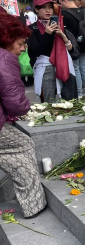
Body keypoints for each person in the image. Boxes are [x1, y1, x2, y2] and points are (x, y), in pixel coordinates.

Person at [0, 14, 47, 218]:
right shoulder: (5, 59)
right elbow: (15, 103)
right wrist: (26, 107)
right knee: (23, 144)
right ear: (8, 40)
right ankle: (33, 204)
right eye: (20, 44)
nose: (22, 49)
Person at [27, 0, 78, 102]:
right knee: (48, 101)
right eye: (43, 7)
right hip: (45, 67)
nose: (48, 10)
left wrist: (62, 35)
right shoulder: (32, 29)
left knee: (66, 102)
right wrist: (47, 34)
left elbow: (72, 51)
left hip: (63, 66)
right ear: (36, 9)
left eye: (50, 7)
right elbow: (35, 51)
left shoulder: (58, 25)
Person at [59, 0, 85, 99]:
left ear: (65, 1)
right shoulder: (84, 12)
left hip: (73, 45)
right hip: (84, 43)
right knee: (84, 67)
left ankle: (79, 93)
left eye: (61, 3)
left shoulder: (65, 14)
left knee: (76, 68)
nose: (61, 6)